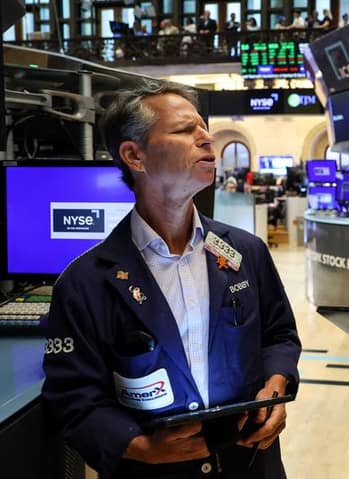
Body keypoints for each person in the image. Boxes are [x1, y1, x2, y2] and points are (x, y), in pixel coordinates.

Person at [42, 81, 301, 479]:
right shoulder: (85, 283)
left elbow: (279, 335)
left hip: (250, 465)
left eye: (203, 128)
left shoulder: (246, 253)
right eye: (184, 130)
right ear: (135, 155)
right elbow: (72, 397)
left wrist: (276, 385)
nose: (206, 138)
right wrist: (140, 448)